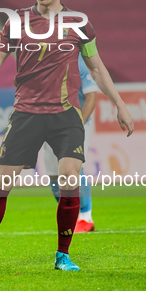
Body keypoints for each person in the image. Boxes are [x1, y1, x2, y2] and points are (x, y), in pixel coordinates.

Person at [0, 0, 134, 272]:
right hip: (26, 113)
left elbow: (97, 67)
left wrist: (120, 104)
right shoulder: (16, 22)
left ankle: (63, 255)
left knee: (69, 178)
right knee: (1, 184)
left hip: (64, 114)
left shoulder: (78, 23)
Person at [43, 54, 97, 233]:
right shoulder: (41, 61)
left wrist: (79, 125)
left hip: (75, 124)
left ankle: (85, 217)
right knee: (53, 175)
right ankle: (70, 215)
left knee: (73, 170)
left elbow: (91, 96)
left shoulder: (78, 63)